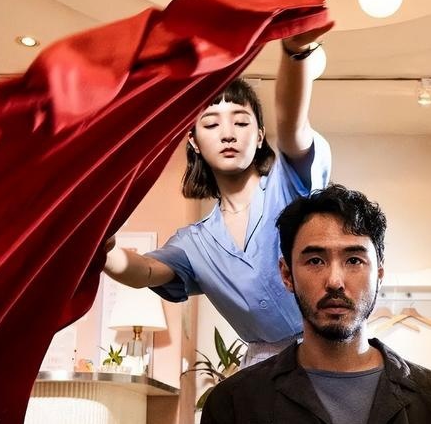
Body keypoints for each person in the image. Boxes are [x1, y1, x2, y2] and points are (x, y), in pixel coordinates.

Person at [103, 24, 334, 366]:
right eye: (211, 124)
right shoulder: (195, 242)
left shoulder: (288, 183)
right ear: (194, 141)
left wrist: (294, 52)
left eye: (241, 122)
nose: (227, 134)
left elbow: (293, 127)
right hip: (263, 371)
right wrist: (102, 248)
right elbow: (145, 271)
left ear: (260, 136)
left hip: (331, 352)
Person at [201, 184, 431, 424]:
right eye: (315, 260)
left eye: (354, 260)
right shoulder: (235, 404)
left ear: (379, 275)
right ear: (287, 275)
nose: (335, 281)